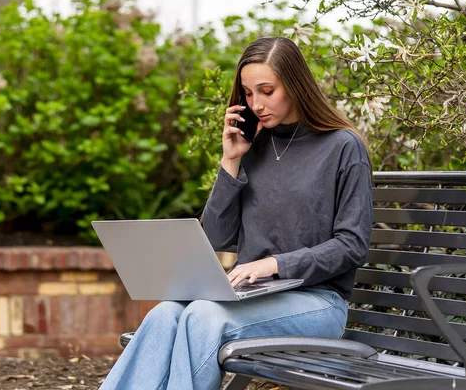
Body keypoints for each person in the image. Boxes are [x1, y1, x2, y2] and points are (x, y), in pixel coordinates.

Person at [100, 36, 373, 390]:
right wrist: (231, 160)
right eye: (247, 93)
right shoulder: (254, 146)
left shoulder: (342, 146)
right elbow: (215, 236)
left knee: (203, 316)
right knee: (164, 314)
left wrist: (273, 264)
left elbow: (352, 245)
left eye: (267, 90)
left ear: (295, 85)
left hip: (317, 302)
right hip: (249, 298)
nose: (256, 104)